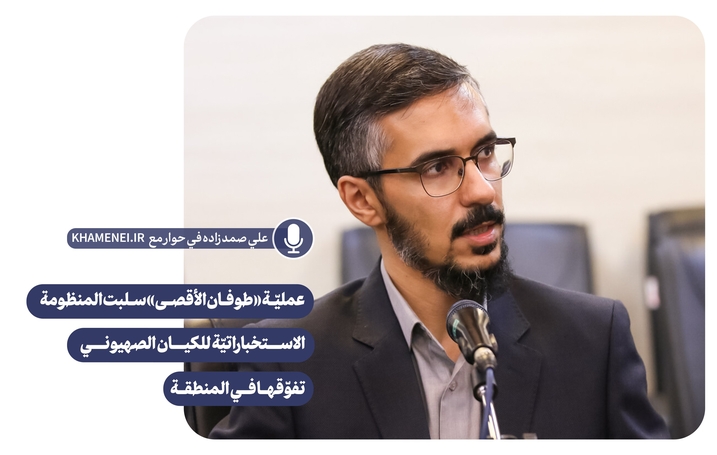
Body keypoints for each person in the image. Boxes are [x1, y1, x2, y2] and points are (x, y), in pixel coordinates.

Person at [209, 43, 669, 439]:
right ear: (363, 200)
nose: (483, 191)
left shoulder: (593, 341)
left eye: (484, 153)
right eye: (437, 168)